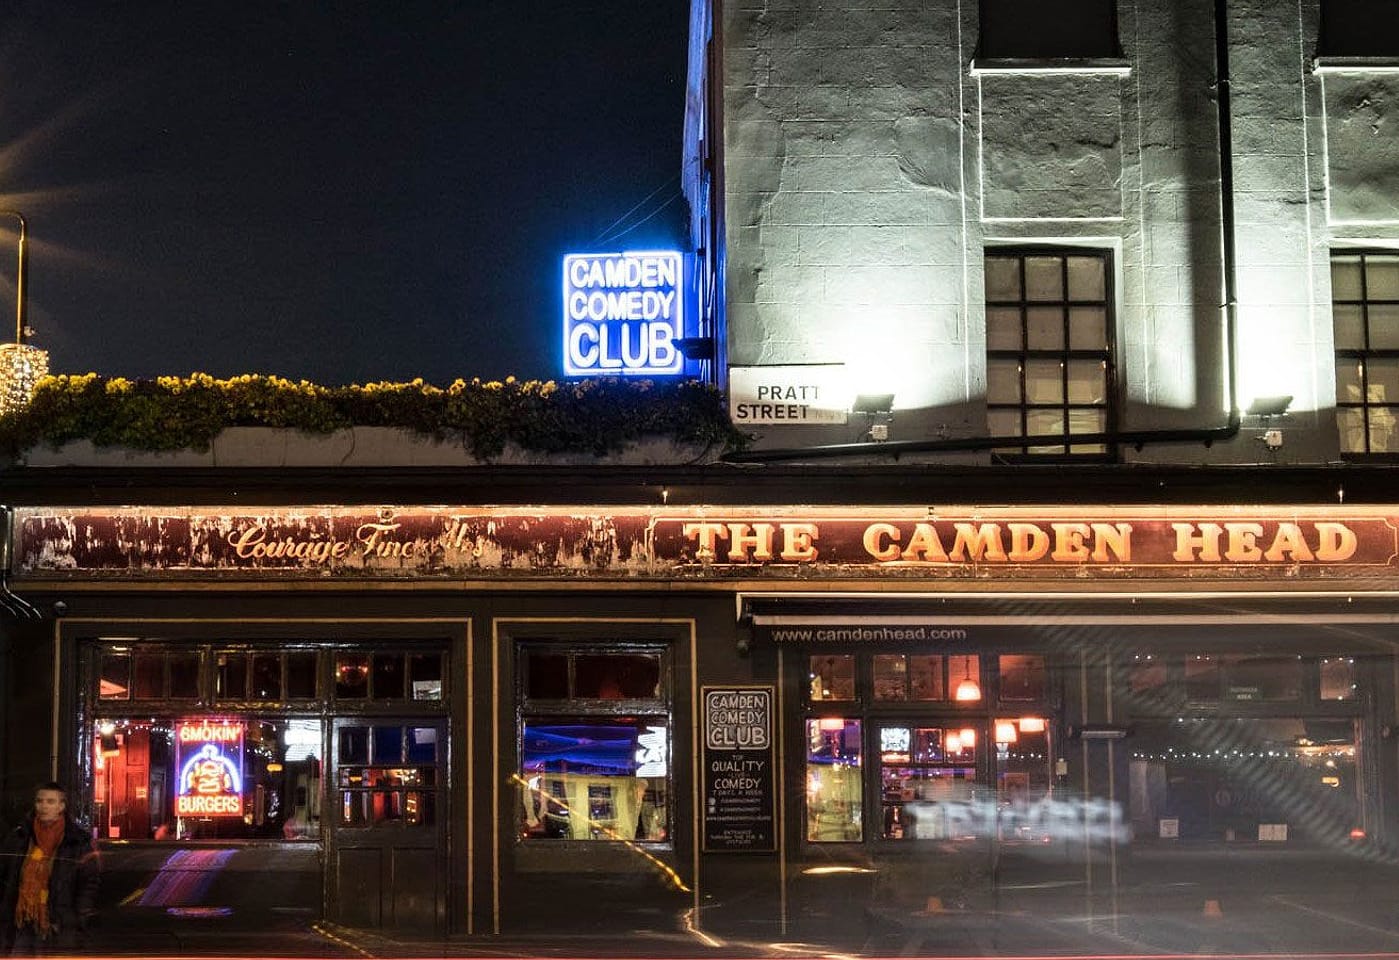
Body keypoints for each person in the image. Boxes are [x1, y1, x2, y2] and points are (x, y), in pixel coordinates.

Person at [0, 782, 100, 956]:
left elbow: (88, 883)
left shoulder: (77, 840)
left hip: (56, 924)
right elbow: (6, 875)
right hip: (21, 923)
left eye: (51, 801)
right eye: (40, 801)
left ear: (61, 806)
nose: (44, 806)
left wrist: (77, 920)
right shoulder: (20, 837)